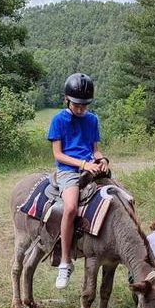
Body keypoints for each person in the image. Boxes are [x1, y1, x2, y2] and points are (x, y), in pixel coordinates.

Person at [48, 73, 108, 288]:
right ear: (67, 99)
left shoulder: (92, 119)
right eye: (77, 105)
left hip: (91, 167)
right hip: (68, 170)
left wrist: (101, 160)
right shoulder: (58, 120)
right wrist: (83, 165)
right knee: (71, 207)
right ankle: (64, 262)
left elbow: (94, 149)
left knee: (119, 198)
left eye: (85, 105)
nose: (81, 109)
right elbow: (58, 155)